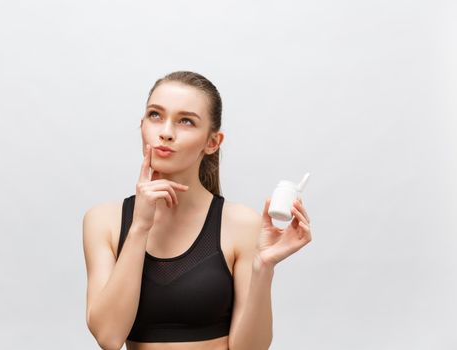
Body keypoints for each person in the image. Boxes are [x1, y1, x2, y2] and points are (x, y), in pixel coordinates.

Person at [82, 71, 312, 350]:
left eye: (186, 121)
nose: (166, 132)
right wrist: (140, 226)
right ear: (142, 125)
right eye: (156, 115)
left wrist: (264, 267)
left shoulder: (240, 224)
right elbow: (109, 337)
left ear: (212, 142)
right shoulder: (103, 222)